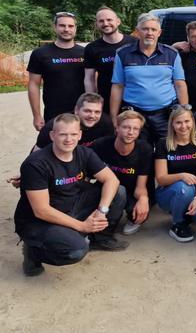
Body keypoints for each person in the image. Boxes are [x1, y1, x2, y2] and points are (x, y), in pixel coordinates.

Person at [14, 113, 127, 277]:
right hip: (40, 220)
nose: (69, 139)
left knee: (118, 192)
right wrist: (81, 226)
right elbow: (41, 210)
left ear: (80, 135)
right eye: (63, 134)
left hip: (73, 203)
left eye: (73, 134)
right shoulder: (36, 163)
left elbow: (111, 180)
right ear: (52, 135)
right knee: (76, 250)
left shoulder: (84, 153)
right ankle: (33, 252)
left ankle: (100, 238)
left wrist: (101, 211)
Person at [110, 13, 188, 144]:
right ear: (138, 31)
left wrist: (184, 112)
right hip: (134, 114)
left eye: (153, 29)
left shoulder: (171, 54)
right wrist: (114, 118)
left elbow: (180, 84)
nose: (149, 33)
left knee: (168, 149)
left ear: (159, 32)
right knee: (138, 152)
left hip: (165, 114)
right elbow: (117, 86)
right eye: (145, 29)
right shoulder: (123, 54)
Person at [154, 106, 196, 243]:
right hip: (170, 190)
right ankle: (178, 223)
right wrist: (181, 175)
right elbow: (161, 179)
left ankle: (188, 209)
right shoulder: (164, 143)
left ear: (192, 121)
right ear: (172, 124)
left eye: (187, 121)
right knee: (183, 187)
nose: (183, 126)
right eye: (178, 122)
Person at [91, 110, 153, 236]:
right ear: (117, 127)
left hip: (132, 191)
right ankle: (107, 227)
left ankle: (130, 218)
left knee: (138, 214)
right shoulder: (100, 145)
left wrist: (143, 198)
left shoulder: (144, 149)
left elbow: (140, 187)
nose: (130, 132)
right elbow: (87, 175)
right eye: (126, 127)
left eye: (135, 129)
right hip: (107, 189)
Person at [27, 11, 85, 131]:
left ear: (75, 28)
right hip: (53, 112)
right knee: (53, 146)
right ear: (55, 27)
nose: (66, 29)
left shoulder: (85, 53)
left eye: (70, 26)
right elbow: (33, 84)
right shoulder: (40, 53)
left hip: (82, 111)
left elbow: (93, 81)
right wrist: (36, 115)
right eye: (62, 25)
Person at [84, 7, 137, 114]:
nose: (105, 23)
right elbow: (89, 78)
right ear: (97, 24)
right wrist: (92, 101)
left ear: (118, 21)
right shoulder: (92, 48)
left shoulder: (134, 43)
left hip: (134, 99)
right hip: (106, 100)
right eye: (101, 21)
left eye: (109, 20)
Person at [34, 92, 114, 150]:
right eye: (87, 111)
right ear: (76, 110)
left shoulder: (106, 123)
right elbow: (36, 155)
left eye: (97, 112)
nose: (92, 116)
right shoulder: (55, 126)